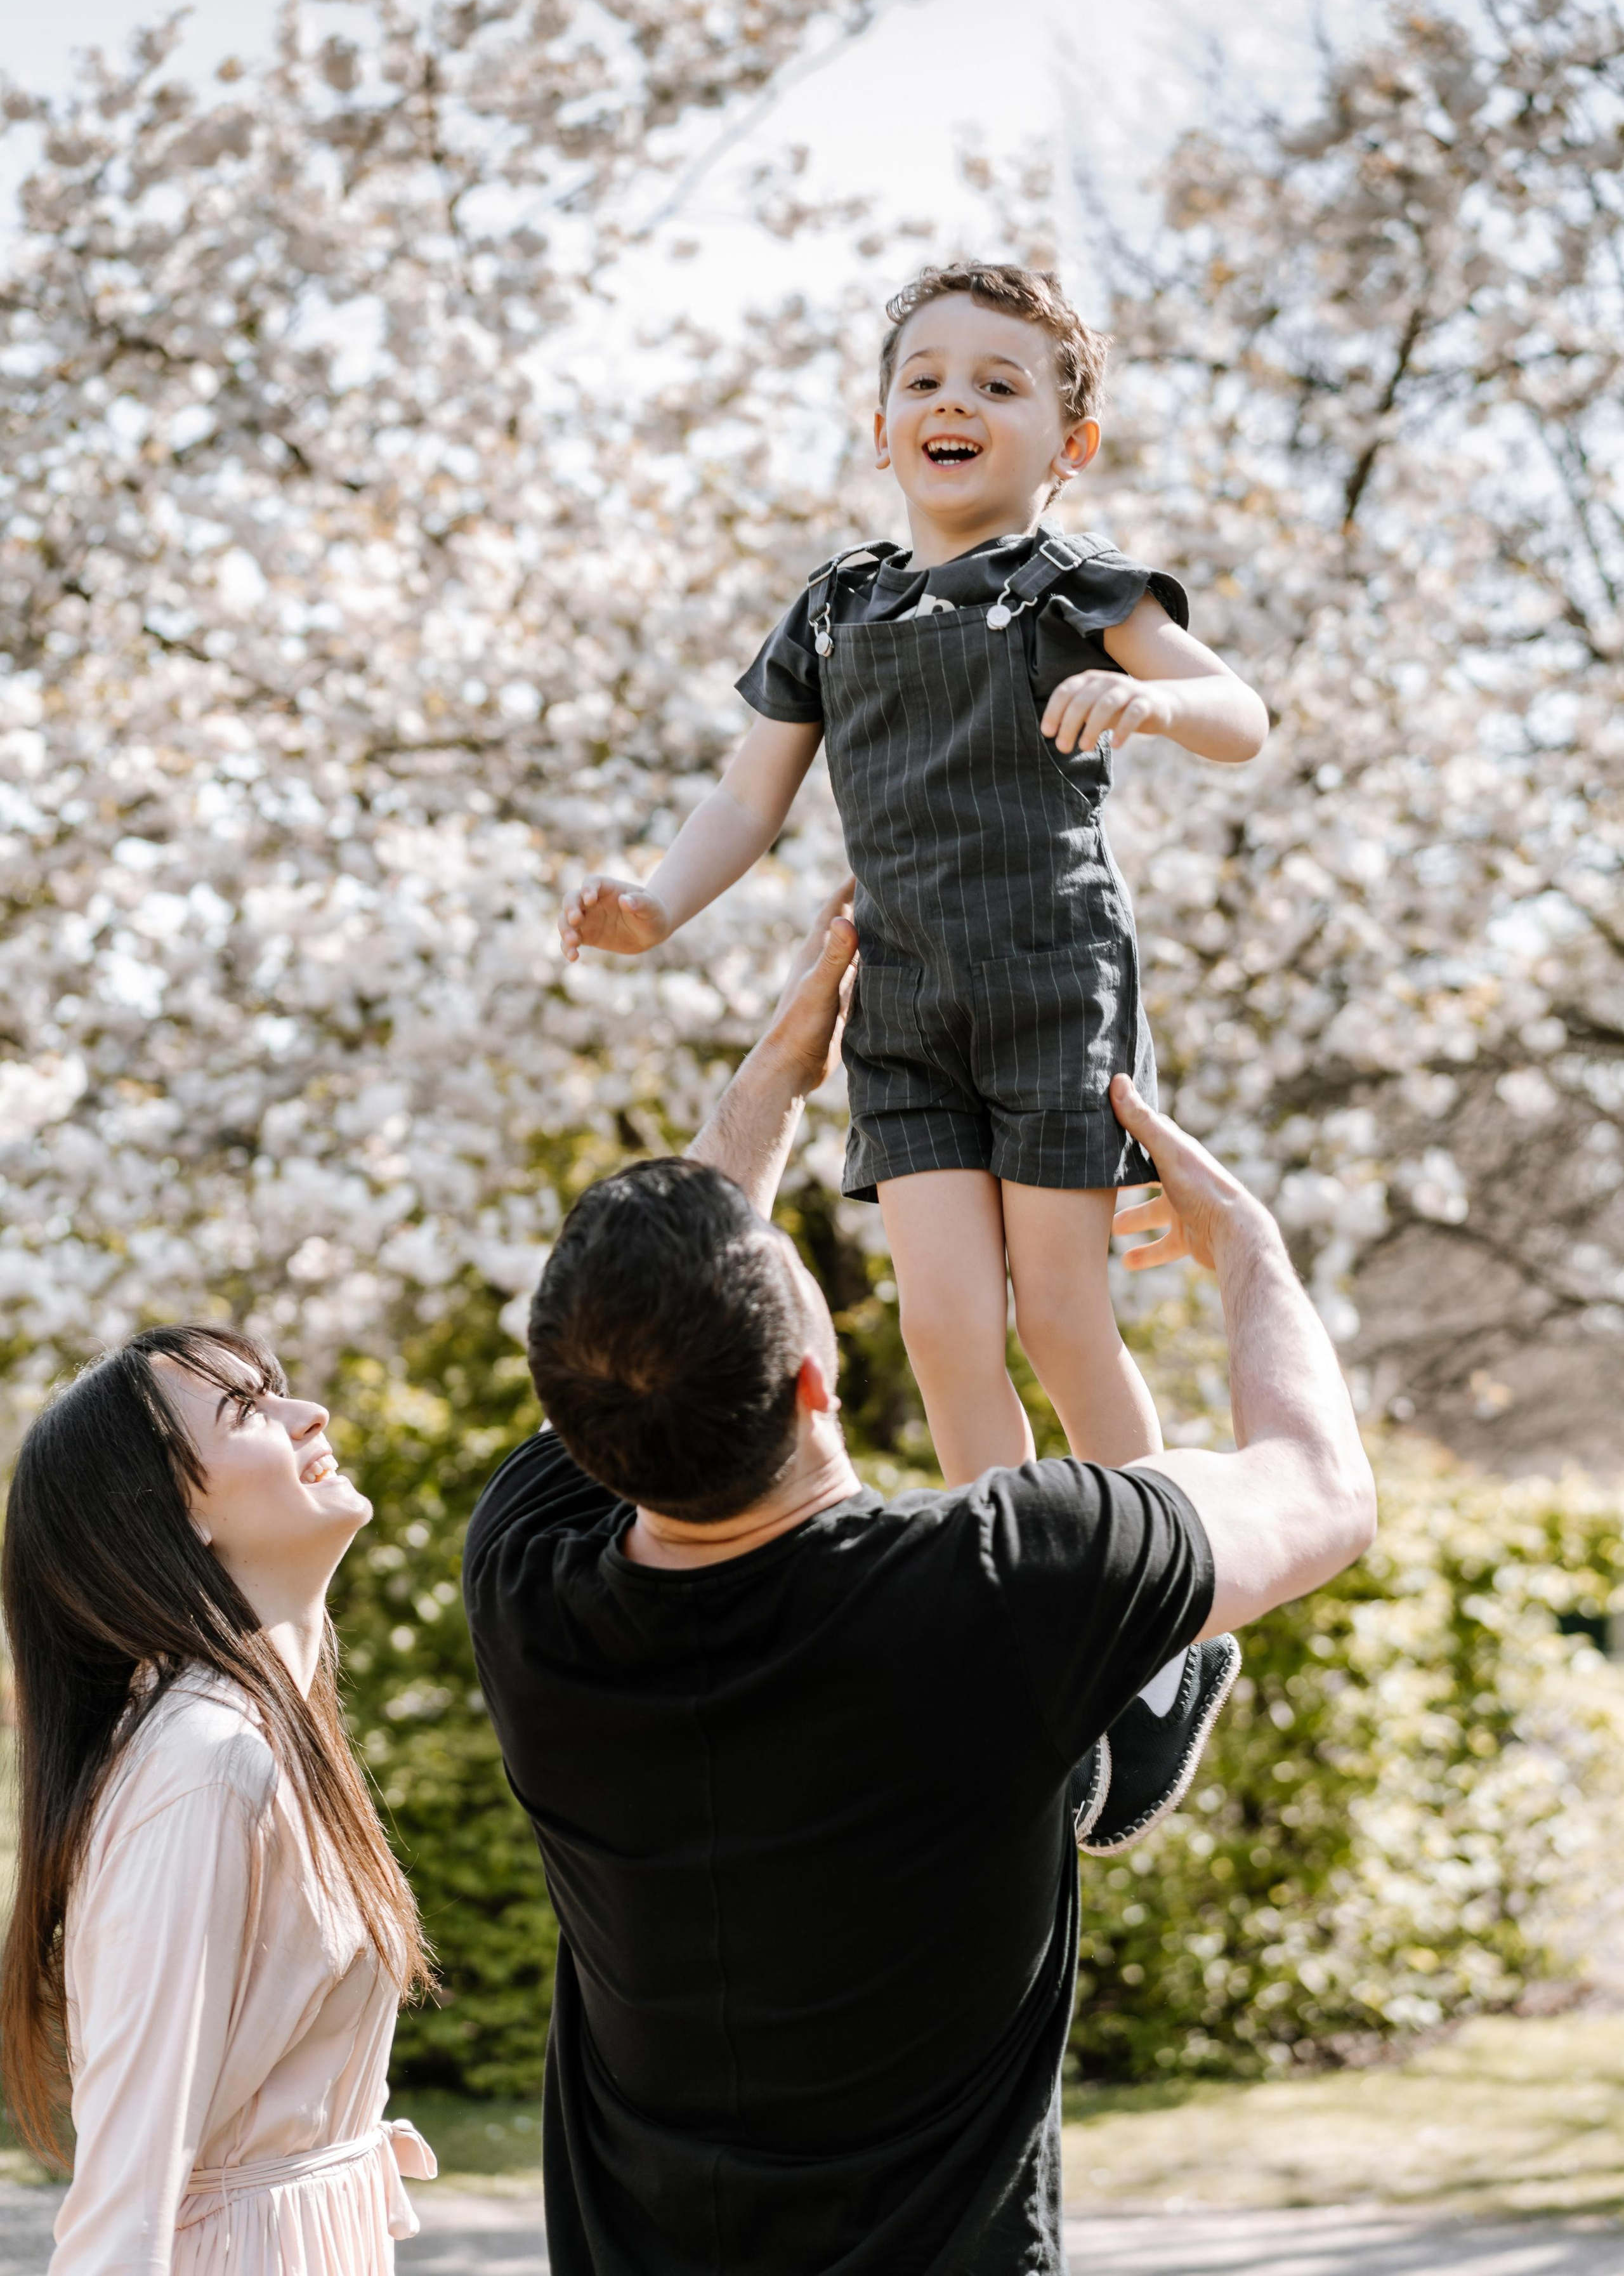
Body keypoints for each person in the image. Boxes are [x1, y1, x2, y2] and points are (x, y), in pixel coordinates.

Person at [464, 890, 1375, 2276]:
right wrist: (1248, 1248)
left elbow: (640, 1333)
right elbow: (1320, 1486)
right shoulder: (1001, 1583)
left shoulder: (527, 1592)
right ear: (813, 1381)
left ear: (578, 1432)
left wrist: (774, 1081)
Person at [557, 260, 1271, 1853]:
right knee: (946, 1325)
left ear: (1068, 443)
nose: (955, 401)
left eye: (999, 384)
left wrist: (1148, 705)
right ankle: (1015, 1642)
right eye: (925, 378)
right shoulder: (833, 609)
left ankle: (1165, 1624)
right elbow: (745, 800)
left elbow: (1241, 712)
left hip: (1050, 986)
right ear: (880, 423)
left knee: (1061, 1313)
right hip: (904, 1005)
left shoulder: (1077, 589)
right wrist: (652, 907)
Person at [0, 1325, 438, 2273]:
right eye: (246, 1410)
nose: (310, 1412)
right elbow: (126, 2192)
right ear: (168, 1515)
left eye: (276, 1387)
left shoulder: (265, 1734)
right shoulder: (205, 1764)